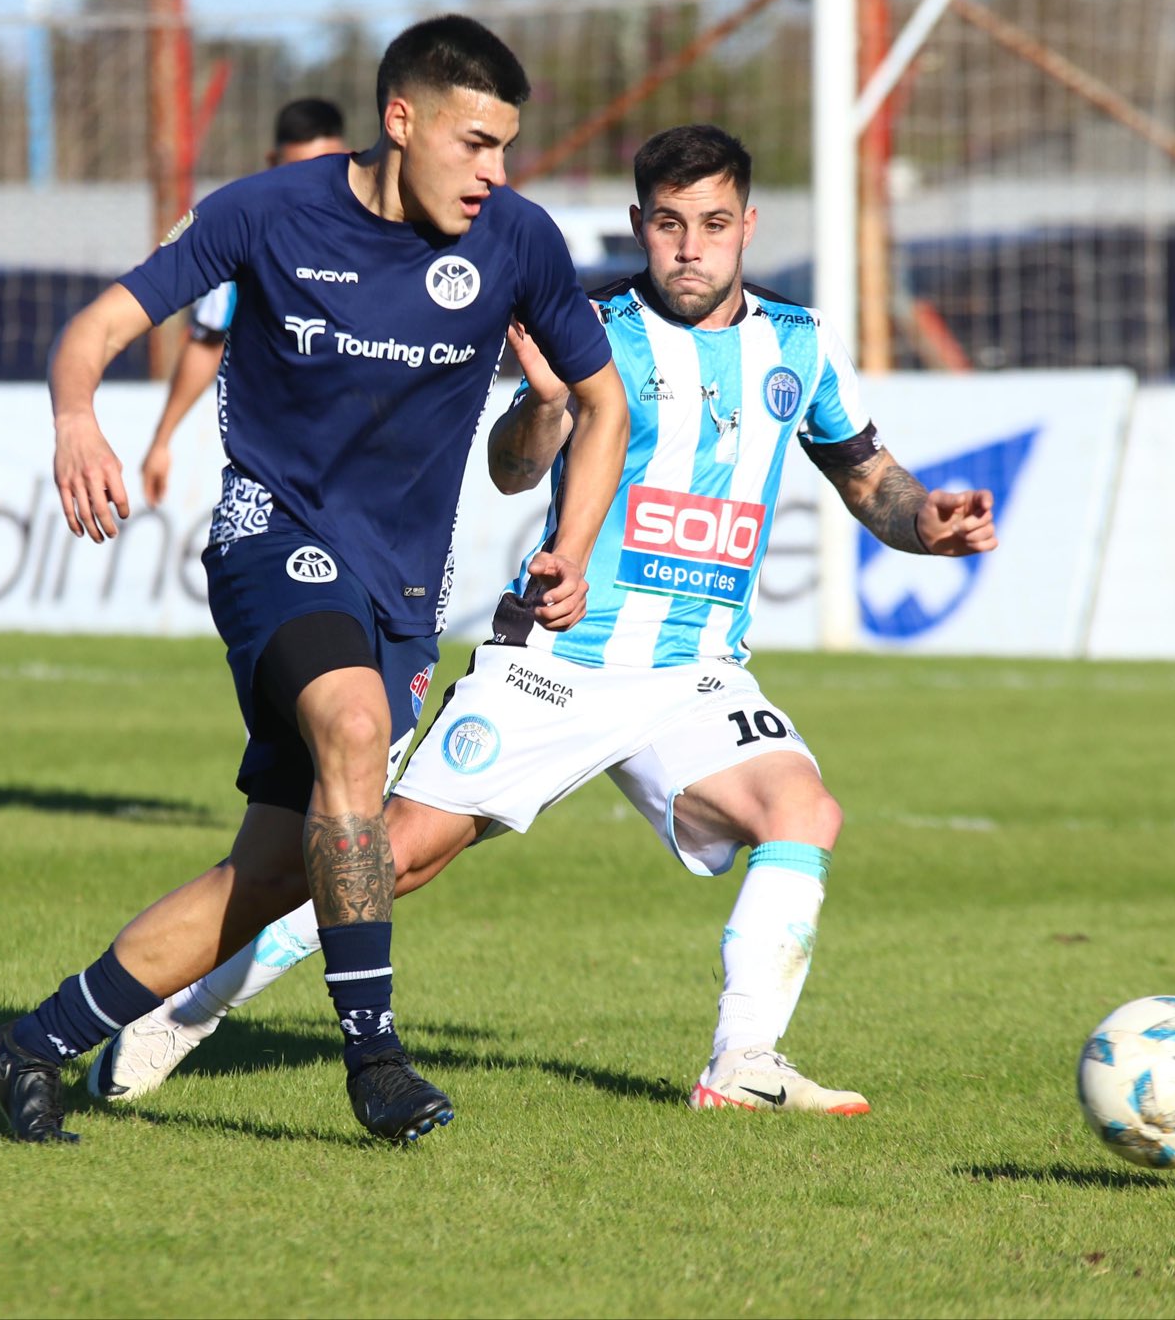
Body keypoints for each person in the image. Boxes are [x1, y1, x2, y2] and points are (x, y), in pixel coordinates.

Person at [88, 124, 999, 1116]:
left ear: (747, 225)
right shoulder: (588, 325)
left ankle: (741, 1063)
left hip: (693, 674)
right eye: (666, 224)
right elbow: (510, 465)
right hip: (558, 660)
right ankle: (183, 1009)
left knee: (802, 812)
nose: (689, 247)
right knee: (383, 855)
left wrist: (926, 522)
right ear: (637, 226)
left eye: (712, 224)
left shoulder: (800, 344)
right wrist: (551, 404)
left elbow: (866, 475)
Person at [0, 16, 630, 1145]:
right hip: (269, 535)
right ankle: (372, 1057)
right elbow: (97, 325)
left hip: (401, 592)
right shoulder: (265, 212)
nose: (494, 174)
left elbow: (599, 402)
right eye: (474, 144)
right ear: (399, 119)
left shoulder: (517, 242)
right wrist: (77, 418)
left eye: (507, 148)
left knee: (274, 872)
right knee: (353, 725)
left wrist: (567, 529)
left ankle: (25, 1046)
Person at [141, 98, 350, 508]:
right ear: (273, 162)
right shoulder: (250, 240)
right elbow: (206, 341)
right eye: (298, 170)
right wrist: (162, 440)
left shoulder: (388, 239)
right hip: (277, 480)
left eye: (324, 168)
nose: (312, 185)